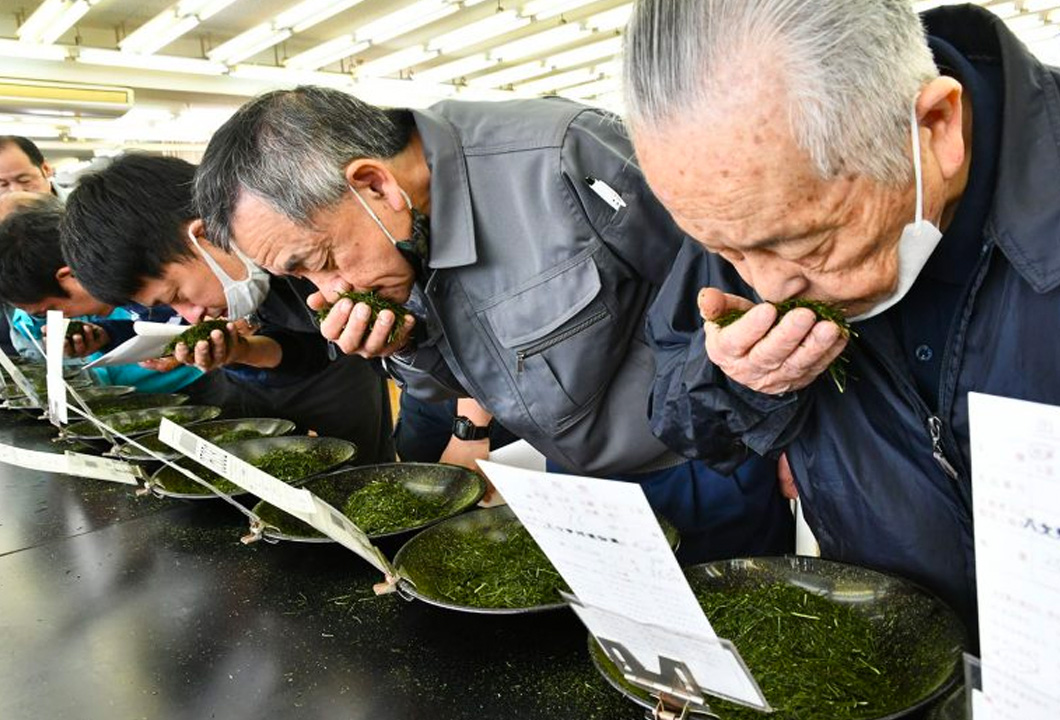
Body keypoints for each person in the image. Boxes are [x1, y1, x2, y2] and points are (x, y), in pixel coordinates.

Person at [192, 86, 795, 563]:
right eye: (305, 281)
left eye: (321, 262)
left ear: (374, 184)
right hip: (574, 483)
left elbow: (738, 289)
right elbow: (459, 387)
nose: (328, 293)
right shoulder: (395, 247)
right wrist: (406, 344)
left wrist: (789, 440)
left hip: (700, 471)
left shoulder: (564, 157)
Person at [623, 0, 1060, 631]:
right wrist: (741, 381)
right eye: (723, 250)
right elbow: (678, 414)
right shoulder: (750, 202)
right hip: (890, 637)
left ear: (936, 127)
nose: (767, 284)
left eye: (810, 244)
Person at [60, 154, 395, 462]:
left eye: (177, 294)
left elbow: (325, 351)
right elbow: (300, 351)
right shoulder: (240, 282)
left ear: (203, 236)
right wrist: (242, 350)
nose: (190, 316)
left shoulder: (306, 252)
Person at [0, 192, 213, 398]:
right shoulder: (130, 299)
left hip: (212, 384)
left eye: (51, 310)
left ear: (69, 275)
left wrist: (190, 345)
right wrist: (106, 336)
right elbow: (159, 327)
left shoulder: (149, 282)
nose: (63, 318)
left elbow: (223, 324)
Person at [0, 136, 65, 199]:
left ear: (46, 169)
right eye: (3, 184)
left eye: (24, 180)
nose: (16, 192)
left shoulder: (74, 206)